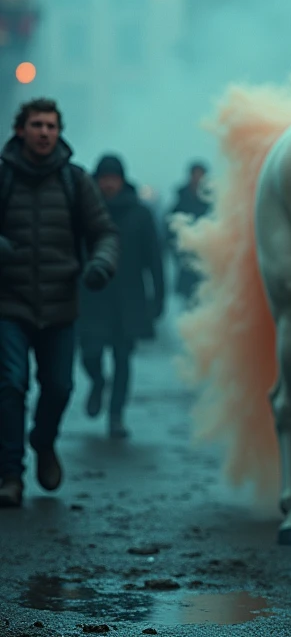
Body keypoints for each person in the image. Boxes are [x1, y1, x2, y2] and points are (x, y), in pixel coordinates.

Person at [0, 98, 118, 508]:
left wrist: (101, 264)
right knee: (11, 386)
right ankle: (10, 474)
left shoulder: (75, 181)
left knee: (60, 387)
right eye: (37, 125)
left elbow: (103, 233)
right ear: (21, 130)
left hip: (60, 306)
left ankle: (43, 442)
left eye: (51, 125)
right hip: (9, 305)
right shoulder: (4, 178)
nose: (45, 132)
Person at [79, 155, 164, 439]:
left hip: (128, 299)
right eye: (104, 179)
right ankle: (97, 382)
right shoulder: (84, 211)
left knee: (122, 359)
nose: (108, 185)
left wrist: (158, 297)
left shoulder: (140, 213)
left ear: (122, 180)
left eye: (113, 179)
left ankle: (116, 415)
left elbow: (154, 258)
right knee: (90, 354)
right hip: (91, 297)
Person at [166, 160, 210, 308]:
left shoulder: (212, 201)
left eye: (201, 176)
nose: (197, 180)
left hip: (209, 265)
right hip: (186, 264)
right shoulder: (180, 202)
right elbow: (169, 230)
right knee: (188, 306)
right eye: (195, 175)